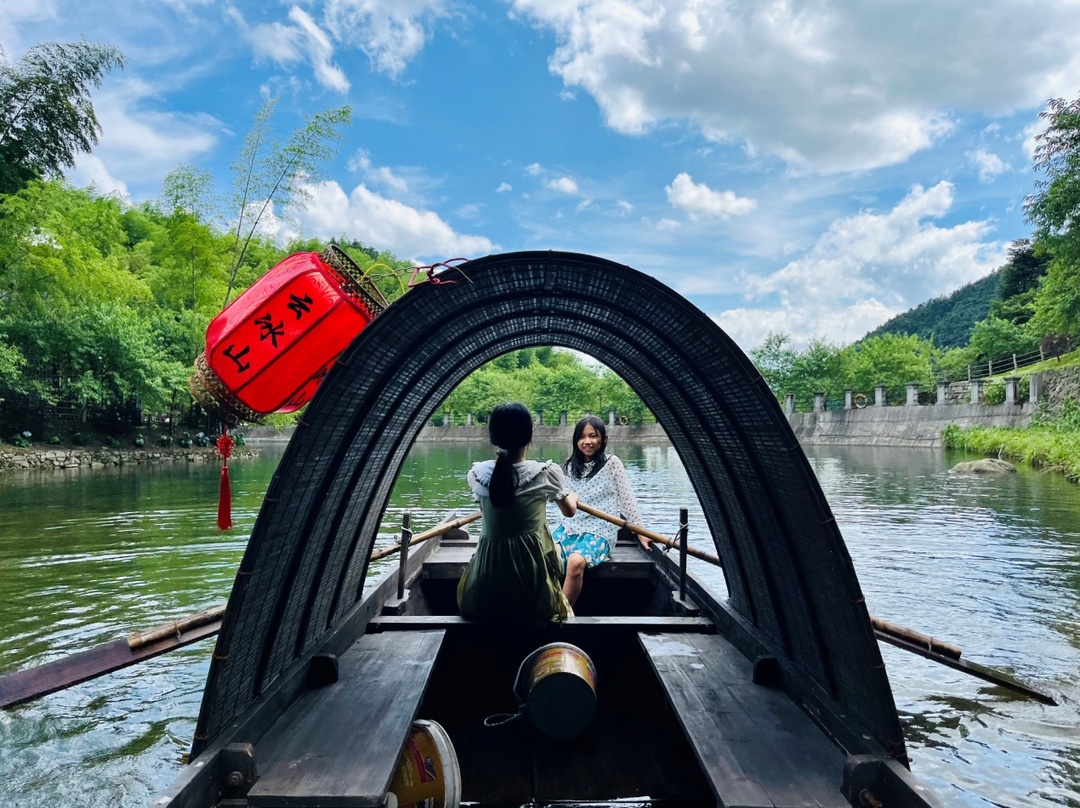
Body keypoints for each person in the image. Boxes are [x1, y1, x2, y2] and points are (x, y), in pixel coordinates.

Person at [457, 402, 579, 623]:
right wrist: (573, 497)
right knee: (559, 548)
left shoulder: (478, 474)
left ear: (493, 436)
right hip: (531, 578)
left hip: (488, 576)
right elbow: (570, 512)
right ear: (529, 435)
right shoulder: (545, 474)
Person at [552, 415, 650, 607]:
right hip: (569, 529)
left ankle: (560, 615)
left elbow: (627, 499)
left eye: (593, 436)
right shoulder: (567, 467)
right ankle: (542, 608)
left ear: (603, 439)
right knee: (542, 556)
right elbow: (564, 505)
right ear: (576, 440)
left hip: (599, 531)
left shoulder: (612, 463)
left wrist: (640, 531)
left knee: (575, 562)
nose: (587, 441)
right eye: (582, 437)